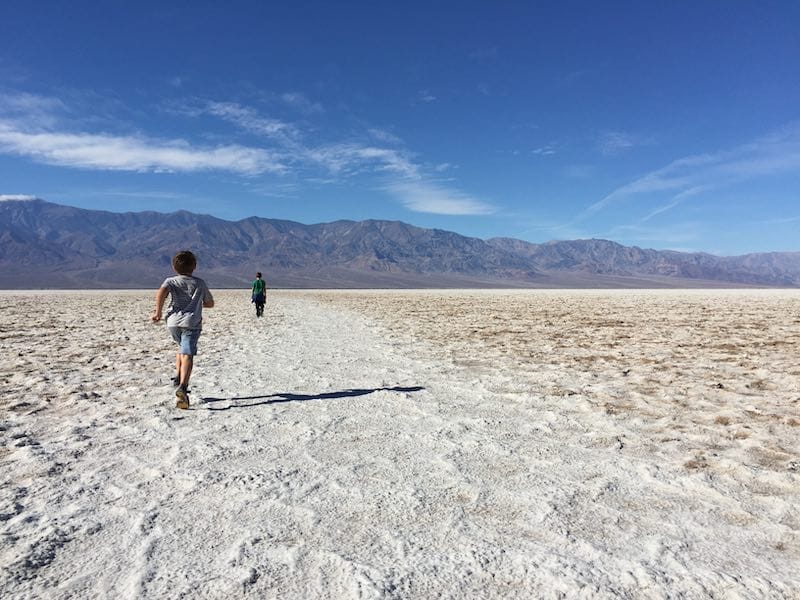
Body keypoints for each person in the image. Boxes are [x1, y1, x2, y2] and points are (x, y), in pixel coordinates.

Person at [151, 250, 214, 409]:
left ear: (174, 267)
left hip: (172, 322)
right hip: (191, 323)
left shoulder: (170, 281)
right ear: (194, 266)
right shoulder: (199, 283)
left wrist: (158, 312)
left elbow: (161, 293)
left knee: (181, 347)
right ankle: (183, 387)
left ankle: (178, 377)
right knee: (188, 354)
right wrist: (199, 303)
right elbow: (210, 303)